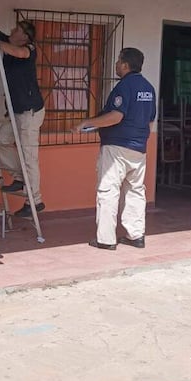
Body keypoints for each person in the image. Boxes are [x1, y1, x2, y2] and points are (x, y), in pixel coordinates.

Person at [75, 47, 156, 251]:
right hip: (139, 148)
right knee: (135, 191)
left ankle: (106, 239)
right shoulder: (149, 88)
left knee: (108, 191)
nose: (116, 65)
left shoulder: (124, 86)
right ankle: (136, 235)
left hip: (117, 147)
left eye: (119, 61)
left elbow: (115, 116)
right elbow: (150, 120)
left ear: (125, 65)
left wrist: (87, 122)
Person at [0, 20, 46, 218]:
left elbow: (18, 53)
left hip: (30, 112)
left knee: (29, 157)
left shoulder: (29, 49)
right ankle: (19, 177)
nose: (12, 30)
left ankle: (35, 201)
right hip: (15, 110)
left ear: (25, 37)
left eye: (17, 29)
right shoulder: (8, 42)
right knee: (1, 140)